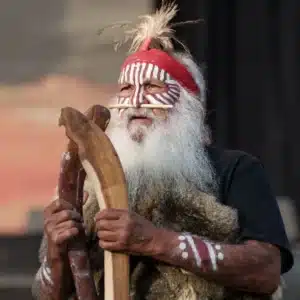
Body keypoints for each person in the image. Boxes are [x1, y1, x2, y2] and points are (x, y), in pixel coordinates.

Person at [32, 3, 294, 300]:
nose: (137, 100)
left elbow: (266, 272)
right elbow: (48, 293)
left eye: (153, 86)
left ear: (186, 104)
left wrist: (155, 241)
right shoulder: (86, 183)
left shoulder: (235, 169)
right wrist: (56, 252)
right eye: (126, 89)